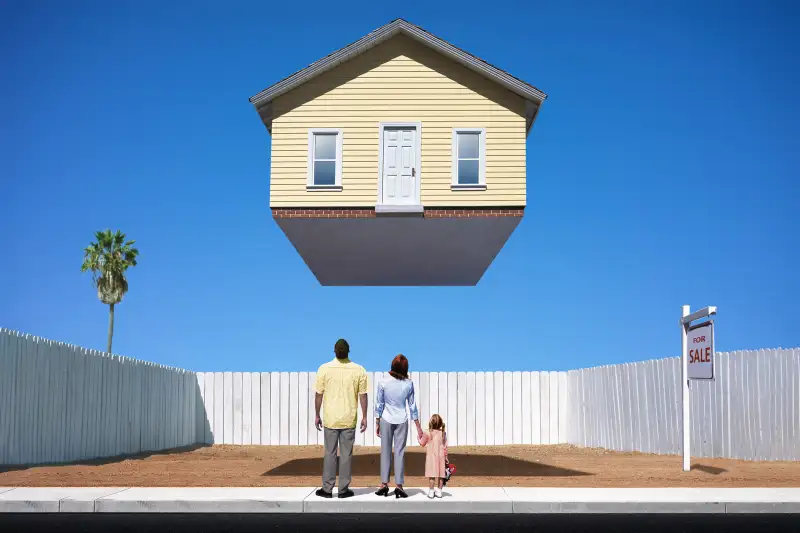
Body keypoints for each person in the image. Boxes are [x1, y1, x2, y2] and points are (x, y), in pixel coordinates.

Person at [314, 338, 368, 499]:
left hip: (331, 418)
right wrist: (365, 417)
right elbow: (363, 396)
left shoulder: (324, 369)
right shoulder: (359, 370)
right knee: (346, 455)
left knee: (329, 454)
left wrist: (317, 414)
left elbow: (319, 394)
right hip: (348, 418)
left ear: (335, 351)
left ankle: (327, 489)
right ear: (348, 351)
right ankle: (343, 490)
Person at [373, 354, 423, 499]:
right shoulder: (409, 384)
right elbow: (412, 407)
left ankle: (384, 485)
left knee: (385, 451)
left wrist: (377, 422)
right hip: (402, 419)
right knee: (400, 452)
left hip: (386, 419)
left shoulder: (383, 382)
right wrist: (418, 427)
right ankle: (399, 486)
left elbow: (379, 404)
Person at [419, 413, 448, 499]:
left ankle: (431, 491)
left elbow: (422, 443)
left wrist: (418, 437)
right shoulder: (443, 433)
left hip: (431, 457)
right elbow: (445, 447)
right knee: (441, 474)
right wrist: (446, 458)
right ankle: (439, 491)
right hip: (441, 457)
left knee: (432, 475)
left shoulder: (428, 432)